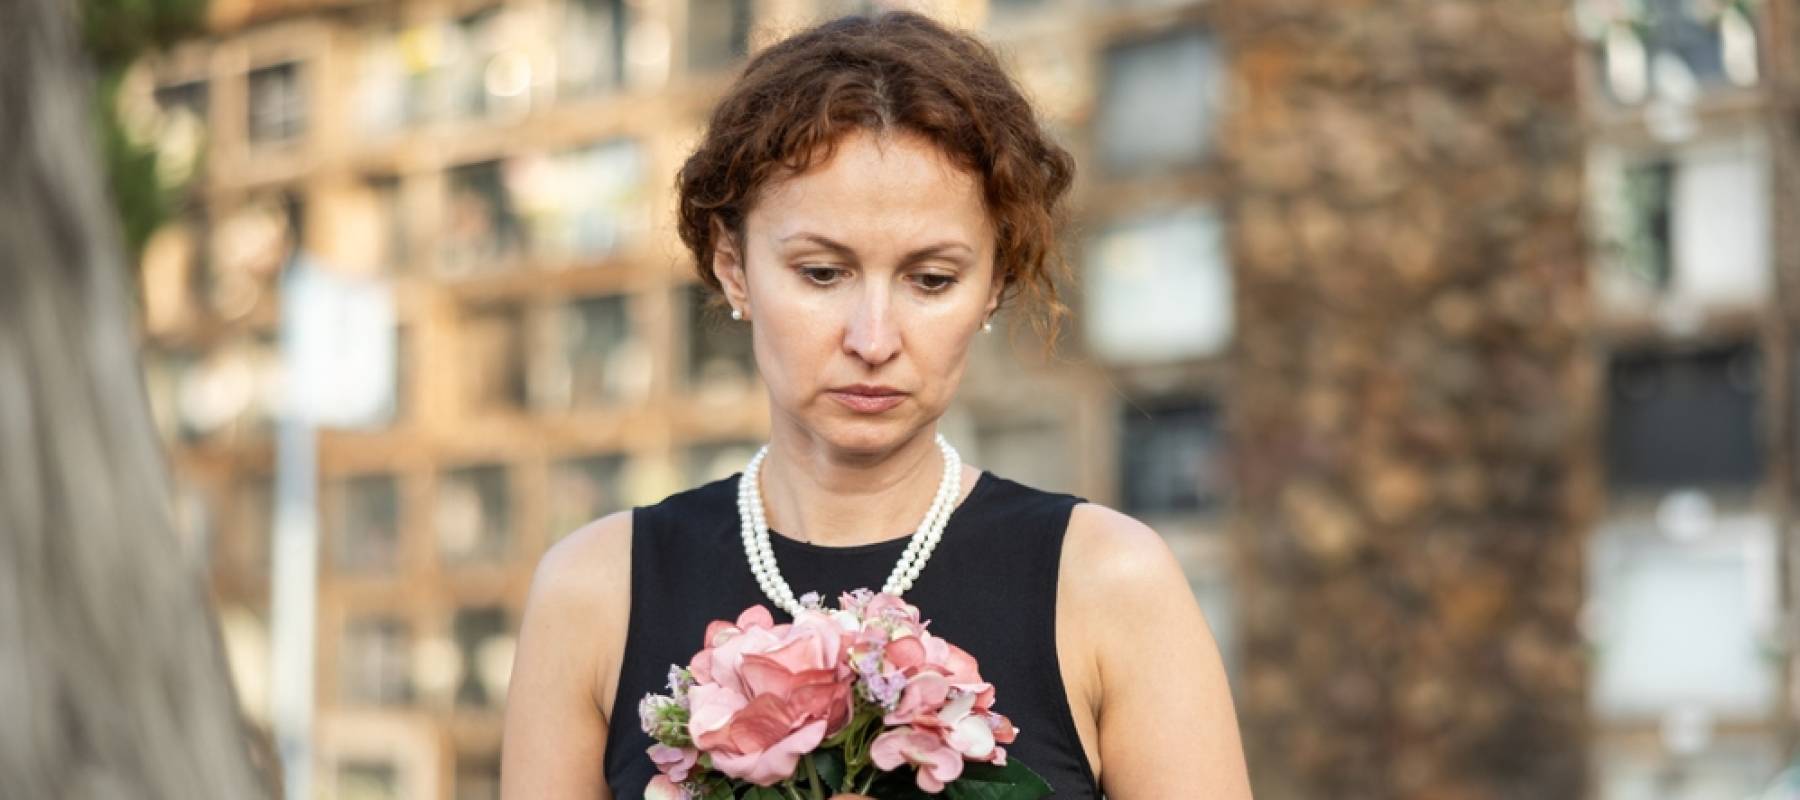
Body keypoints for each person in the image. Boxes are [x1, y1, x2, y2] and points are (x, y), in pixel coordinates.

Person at [500, 11, 1252, 798]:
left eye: (931, 280)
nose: (874, 337)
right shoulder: (594, 593)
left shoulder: (1110, 585)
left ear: (993, 284)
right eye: (823, 273)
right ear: (733, 267)